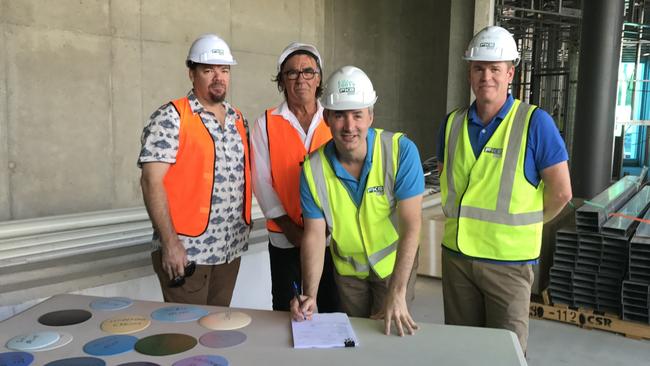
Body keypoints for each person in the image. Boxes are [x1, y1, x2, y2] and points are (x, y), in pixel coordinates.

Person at [436, 26, 572, 352]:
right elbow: (446, 178)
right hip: (458, 259)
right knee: (462, 350)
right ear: (469, 72)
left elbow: (562, 192)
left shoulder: (534, 123)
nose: (487, 76)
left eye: (495, 69)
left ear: (510, 73)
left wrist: (527, 223)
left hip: (509, 265)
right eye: (479, 68)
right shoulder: (452, 123)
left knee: (505, 353)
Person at [291, 66, 425, 336]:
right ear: (327, 117)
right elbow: (315, 236)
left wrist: (397, 292)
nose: (349, 126)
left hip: (393, 269)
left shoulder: (400, 151)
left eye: (357, 115)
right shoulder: (312, 169)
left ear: (370, 116)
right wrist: (310, 295)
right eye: (340, 115)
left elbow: (412, 225)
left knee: (386, 336)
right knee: (357, 338)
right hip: (349, 274)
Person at [138, 34, 252, 306]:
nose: (218, 77)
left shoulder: (238, 120)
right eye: (208, 70)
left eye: (224, 70)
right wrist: (170, 244)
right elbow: (150, 182)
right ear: (192, 73)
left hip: (229, 251)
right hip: (188, 254)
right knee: (184, 338)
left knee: (216, 333)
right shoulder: (171, 117)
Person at [252, 42, 339, 312]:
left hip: (331, 239)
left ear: (319, 78)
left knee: (330, 308)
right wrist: (292, 230)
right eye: (292, 73)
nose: (300, 78)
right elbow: (261, 182)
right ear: (282, 80)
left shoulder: (335, 119)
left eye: (308, 71)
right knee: (287, 310)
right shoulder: (265, 123)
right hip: (284, 238)